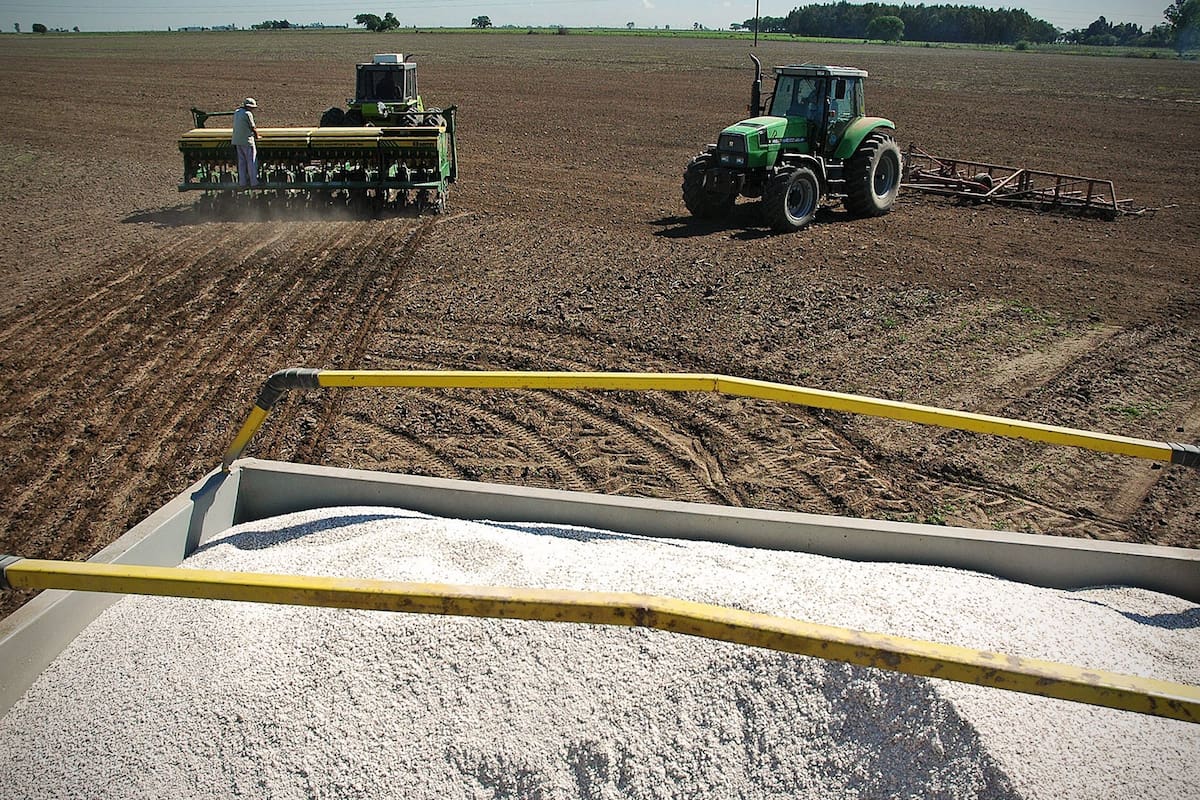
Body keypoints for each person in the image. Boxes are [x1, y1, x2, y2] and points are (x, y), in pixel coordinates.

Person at [231, 97, 259, 188]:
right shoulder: (248, 114)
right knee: (251, 162)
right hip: (247, 141)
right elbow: (252, 127)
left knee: (242, 162)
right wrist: (257, 136)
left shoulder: (237, 112)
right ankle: (254, 182)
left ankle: (242, 182)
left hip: (237, 140)